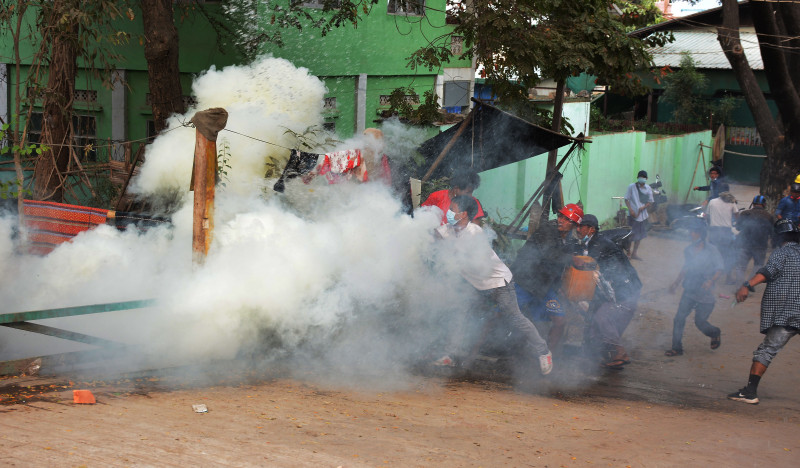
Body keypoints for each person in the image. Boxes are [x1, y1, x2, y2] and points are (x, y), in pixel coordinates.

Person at [435, 195, 553, 374]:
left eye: (452, 210)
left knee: (515, 318)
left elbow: (466, 256)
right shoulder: (450, 230)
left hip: (498, 283)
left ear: (464, 214)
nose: (448, 213)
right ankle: (450, 355)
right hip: (475, 283)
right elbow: (434, 235)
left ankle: (544, 351)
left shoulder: (474, 232)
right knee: (460, 312)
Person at [729, 218, 800, 404]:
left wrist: (746, 285)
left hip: (787, 313)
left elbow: (767, 272)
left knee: (767, 350)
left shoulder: (781, 253)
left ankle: (750, 392)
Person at [509, 203, 583, 351]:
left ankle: (547, 357)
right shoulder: (547, 230)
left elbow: (558, 268)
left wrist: (559, 288)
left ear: (574, 225)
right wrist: (572, 259)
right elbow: (549, 254)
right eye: (561, 216)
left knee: (559, 321)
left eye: (567, 219)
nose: (561, 220)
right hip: (524, 282)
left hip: (544, 288)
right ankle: (475, 348)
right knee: (501, 314)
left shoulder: (569, 240)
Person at [575, 214, 643, 368]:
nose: (577, 229)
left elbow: (588, 266)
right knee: (595, 320)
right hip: (616, 289)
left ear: (591, 229)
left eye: (581, 226)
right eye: (577, 226)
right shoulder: (591, 243)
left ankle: (620, 352)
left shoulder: (599, 245)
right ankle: (604, 355)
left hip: (624, 290)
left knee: (602, 317)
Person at [664, 220, 724, 356]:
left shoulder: (712, 250)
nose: (691, 234)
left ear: (701, 234)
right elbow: (686, 267)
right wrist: (676, 283)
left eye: (694, 232)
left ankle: (715, 332)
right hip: (690, 289)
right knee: (679, 318)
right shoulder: (688, 250)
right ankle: (676, 348)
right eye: (690, 231)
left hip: (705, 292)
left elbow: (719, 269)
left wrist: (710, 281)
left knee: (700, 322)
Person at [421, 168, 486, 225]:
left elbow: (475, 227)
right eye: (468, 192)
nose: (470, 195)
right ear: (456, 188)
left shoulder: (474, 202)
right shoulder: (436, 196)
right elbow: (422, 218)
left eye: (472, 192)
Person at [733, 195, 774, 284]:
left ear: (753, 204)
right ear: (764, 204)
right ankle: (749, 285)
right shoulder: (769, 216)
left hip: (744, 245)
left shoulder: (744, 213)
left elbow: (738, 228)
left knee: (740, 267)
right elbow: (772, 233)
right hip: (760, 246)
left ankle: (740, 286)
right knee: (758, 266)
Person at [706, 191, 739, 284]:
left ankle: (709, 276)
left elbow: (707, 216)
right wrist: (735, 222)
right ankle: (728, 278)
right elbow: (737, 215)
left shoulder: (712, 201)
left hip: (713, 231)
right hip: (726, 232)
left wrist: (711, 223)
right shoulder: (731, 202)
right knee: (728, 255)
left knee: (712, 253)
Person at [624, 170, 654, 260]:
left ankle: (634, 253)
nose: (641, 179)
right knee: (630, 235)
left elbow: (650, 201)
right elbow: (626, 199)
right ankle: (628, 253)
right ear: (637, 178)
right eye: (640, 177)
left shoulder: (648, 188)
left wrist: (644, 207)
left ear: (646, 179)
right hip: (633, 215)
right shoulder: (631, 187)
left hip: (642, 216)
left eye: (643, 178)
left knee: (639, 236)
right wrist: (631, 210)